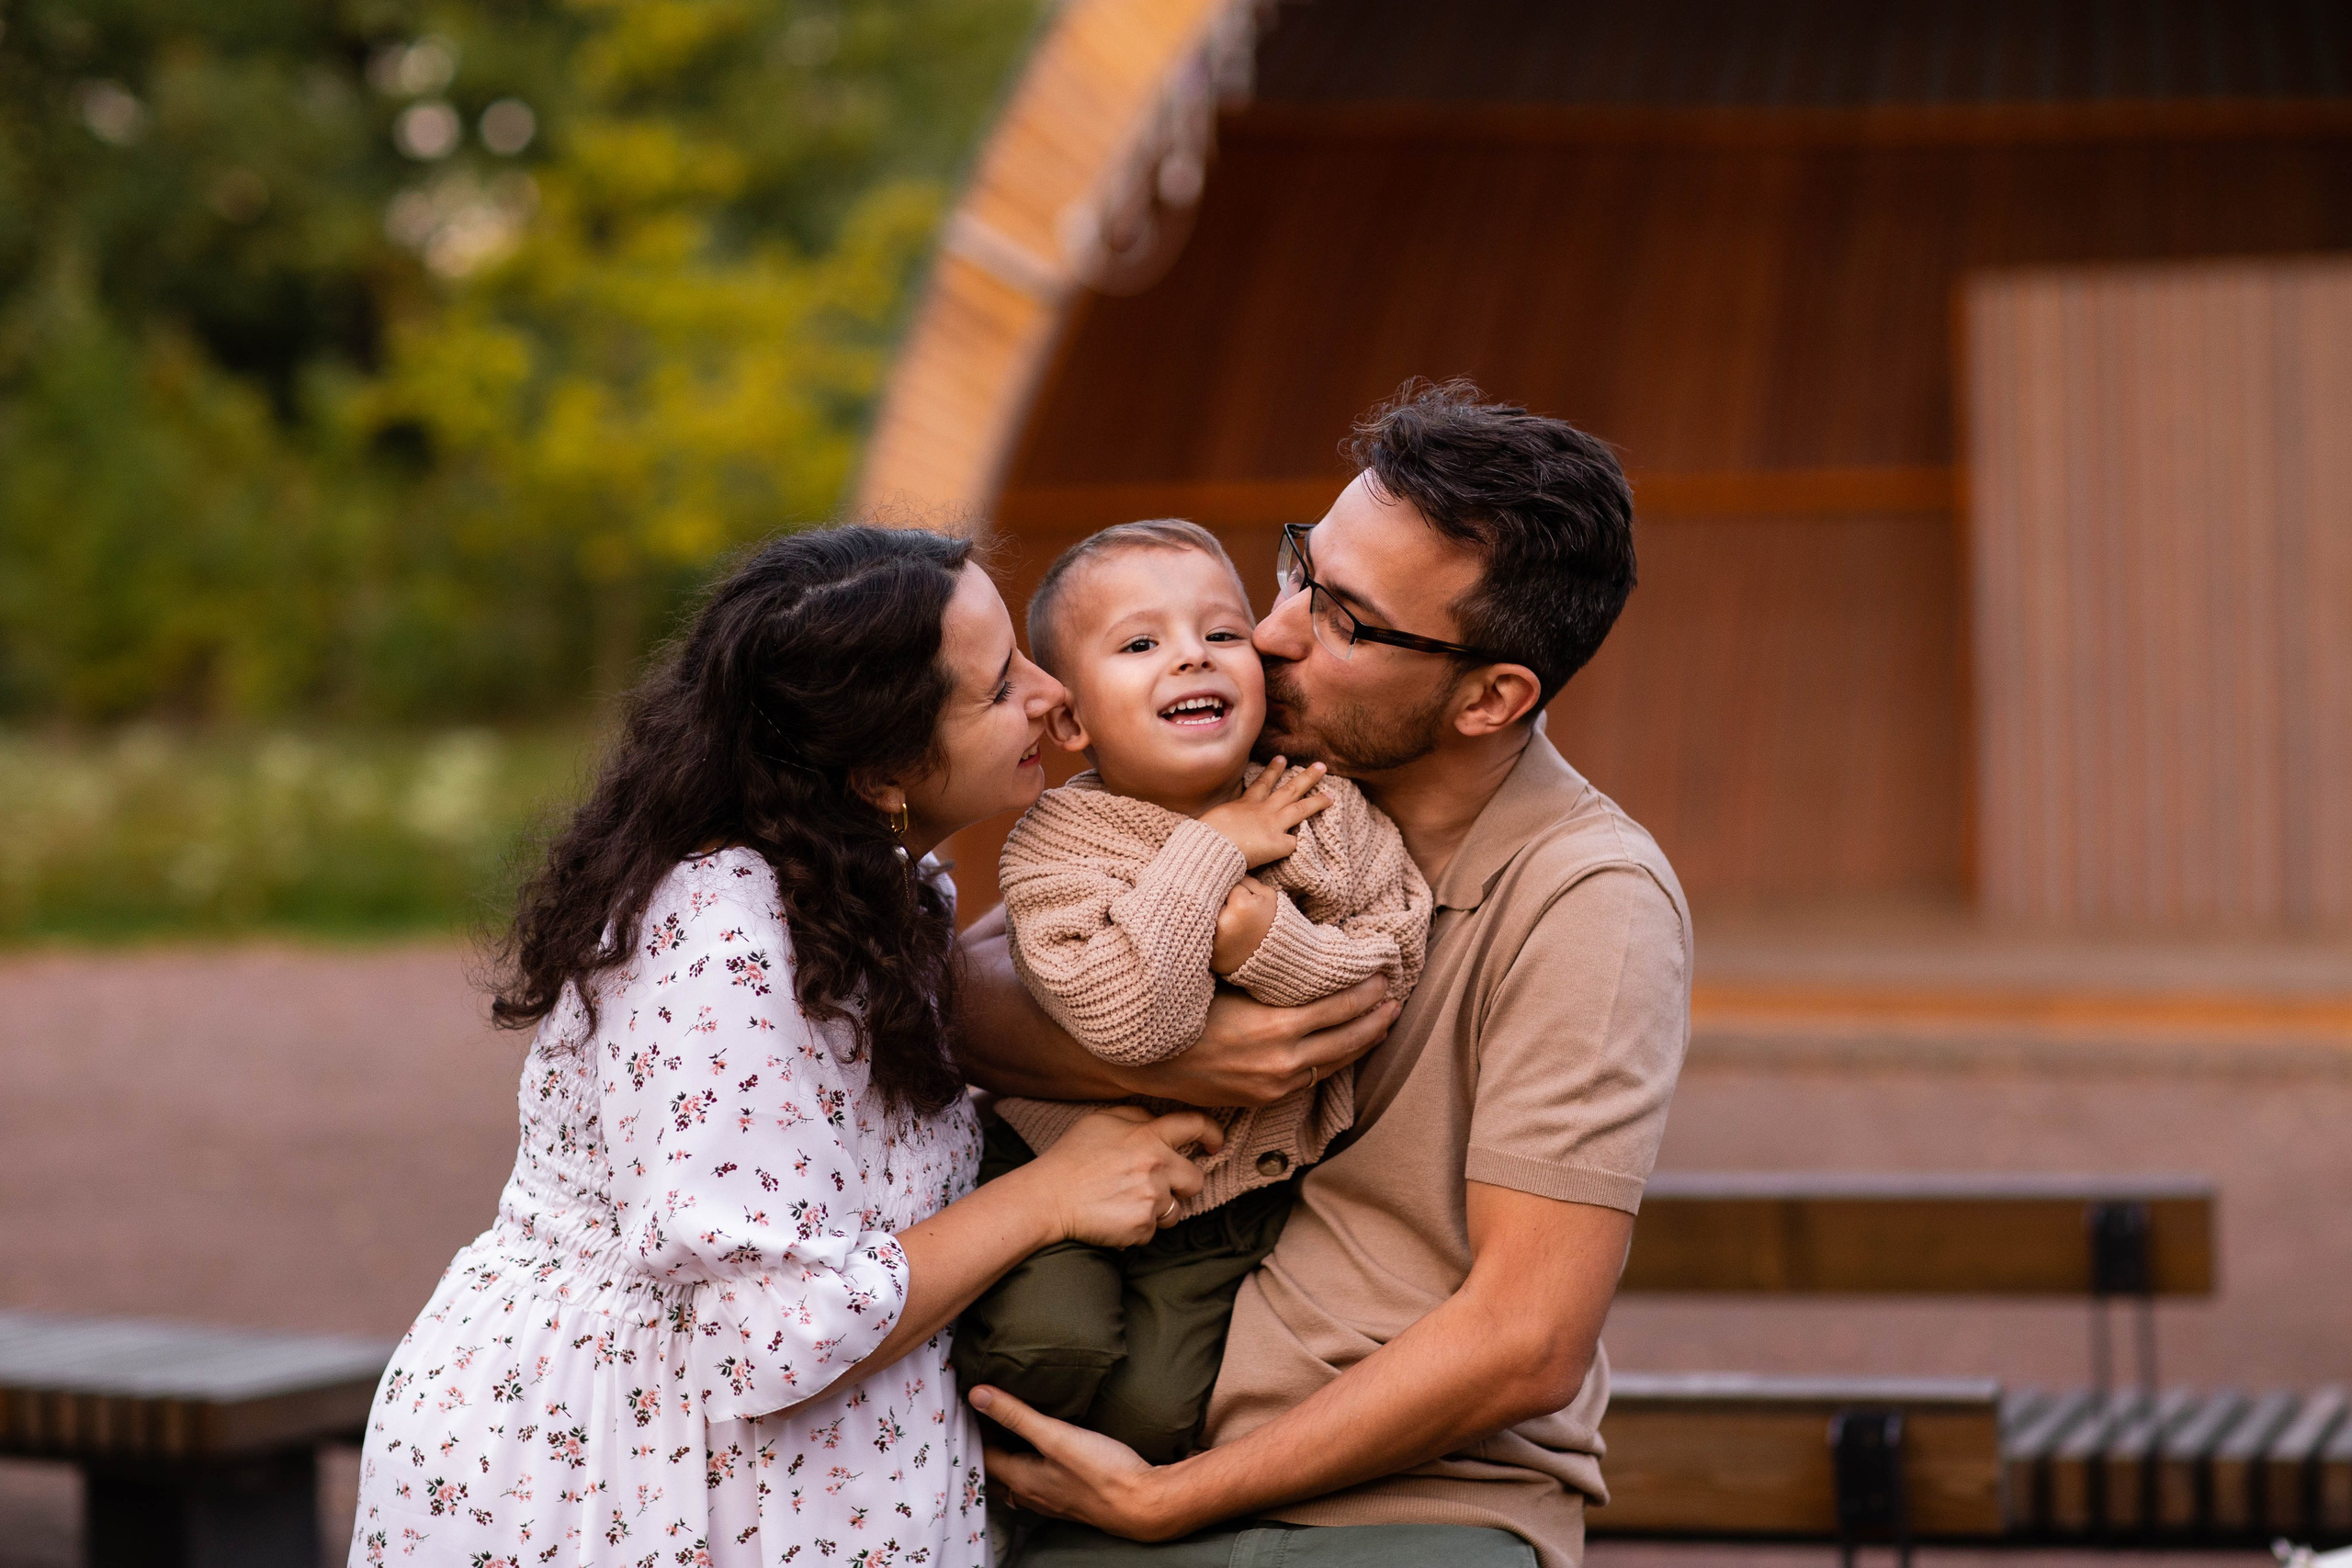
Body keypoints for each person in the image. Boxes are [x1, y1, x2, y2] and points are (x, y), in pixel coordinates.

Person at [348, 526, 1224, 1568]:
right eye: (998, 689)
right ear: (886, 767)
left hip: (773, 1477)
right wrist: (1052, 1194)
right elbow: (772, 1334)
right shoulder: (727, 936)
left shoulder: (870, 889)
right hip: (623, 1485)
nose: (1050, 694)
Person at [955, 382, 1693, 1568]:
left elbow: (1527, 1335)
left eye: (1345, 617)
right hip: (1128, 1445)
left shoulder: (1588, 898)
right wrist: (1163, 1049)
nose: (1274, 630)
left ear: (1493, 695)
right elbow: (978, 972)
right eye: (1299, 567)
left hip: (1402, 1508)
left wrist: (1177, 1498)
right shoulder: (1241, 753)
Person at [952, 519, 1430, 1468]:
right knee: (1046, 1346)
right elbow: (1131, 1018)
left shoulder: (1323, 808)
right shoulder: (1058, 843)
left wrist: (1264, 940)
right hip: (1052, 1154)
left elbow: (1384, 967)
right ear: (1073, 720)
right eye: (1140, 645)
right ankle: (984, 1496)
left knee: (1157, 1415)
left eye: (1220, 635)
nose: (1189, 659)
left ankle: (1097, 1516)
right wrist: (1212, 853)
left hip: (1227, 1192)